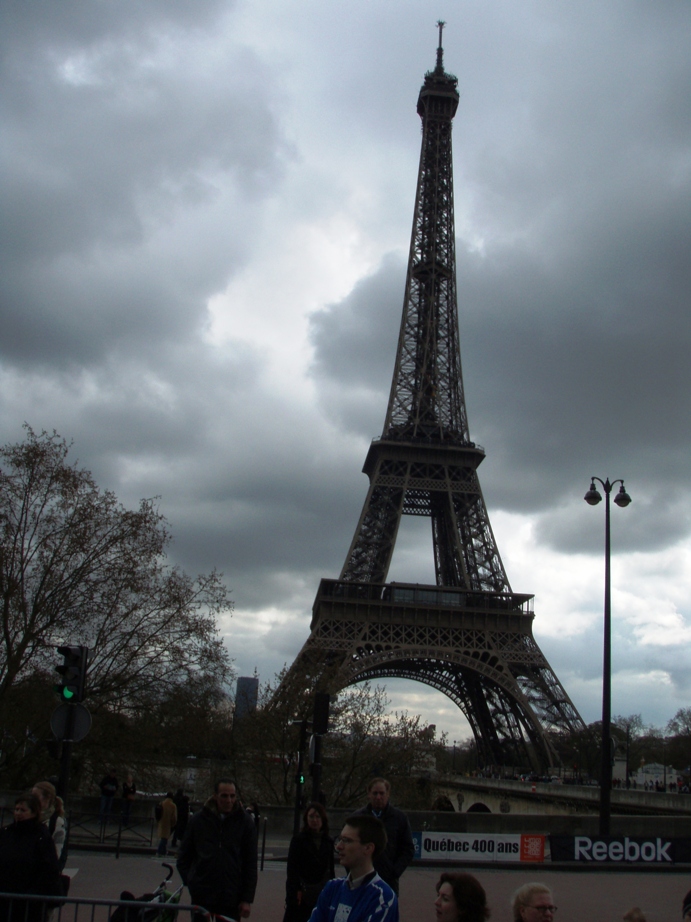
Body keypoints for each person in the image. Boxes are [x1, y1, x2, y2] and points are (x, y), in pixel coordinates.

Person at [177, 779, 257, 920]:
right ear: (215, 796)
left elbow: (250, 864)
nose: (229, 800)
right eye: (224, 796)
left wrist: (246, 899)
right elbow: (183, 857)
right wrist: (192, 883)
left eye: (232, 796)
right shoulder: (198, 821)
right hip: (203, 895)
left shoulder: (245, 823)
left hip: (231, 896)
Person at [309, 814, 398, 922]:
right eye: (340, 839)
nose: (339, 846)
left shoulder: (382, 898)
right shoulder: (331, 888)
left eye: (347, 841)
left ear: (368, 848)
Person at [0, 793, 62, 922]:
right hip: (5, 897)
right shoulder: (6, 832)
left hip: (29, 902)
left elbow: (49, 869)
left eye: (23, 810)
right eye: (16, 809)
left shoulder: (41, 836)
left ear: (33, 813)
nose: (18, 813)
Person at [355, 778, 414, 894]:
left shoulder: (399, 818)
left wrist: (395, 872)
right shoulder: (358, 818)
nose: (378, 797)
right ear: (369, 794)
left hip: (388, 882)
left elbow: (408, 849)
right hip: (362, 880)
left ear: (388, 794)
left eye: (382, 793)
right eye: (375, 793)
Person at [283, 802, 335, 922]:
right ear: (306, 819)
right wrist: (293, 893)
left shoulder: (328, 841)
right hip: (302, 892)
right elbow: (292, 870)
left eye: (317, 817)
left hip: (321, 891)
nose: (314, 820)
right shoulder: (298, 840)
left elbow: (330, 869)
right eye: (311, 816)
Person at [32, 781, 66, 865]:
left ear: (47, 799)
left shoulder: (56, 822)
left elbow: (57, 852)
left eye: (35, 796)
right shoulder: (29, 815)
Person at [156, 792, 177, 857]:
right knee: (164, 838)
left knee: (163, 837)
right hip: (168, 823)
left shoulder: (162, 803)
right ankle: (159, 851)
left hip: (161, 822)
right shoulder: (173, 805)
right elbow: (174, 817)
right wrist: (173, 824)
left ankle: (164, 852)